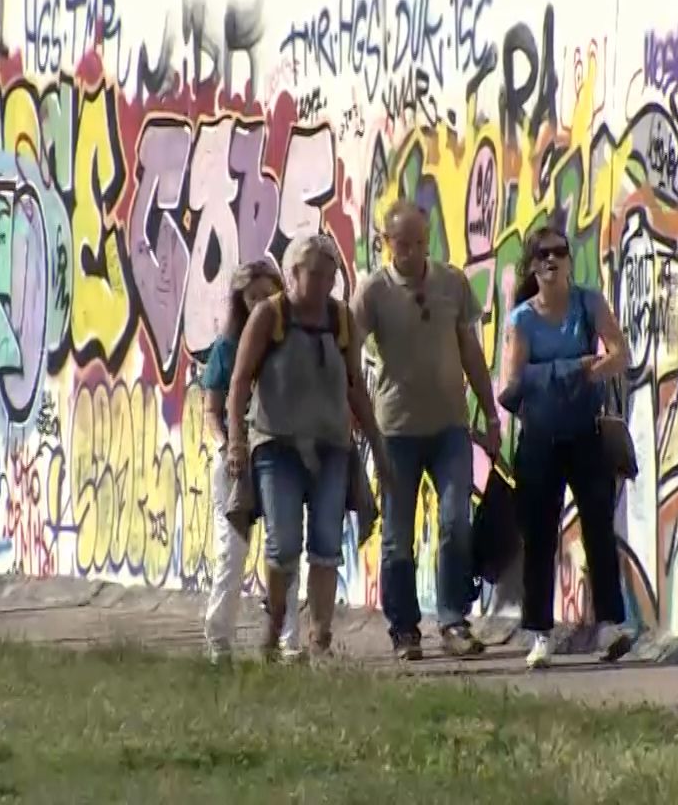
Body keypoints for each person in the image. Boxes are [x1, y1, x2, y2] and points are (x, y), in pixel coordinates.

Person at [353, 199, 501, 661]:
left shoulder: (451, 282)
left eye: (420, 242)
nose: (413, 252)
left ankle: (454, 620)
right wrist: (354, 417)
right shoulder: (373, 292)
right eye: (403, 244)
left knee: (456, 521)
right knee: (397, 533)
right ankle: (404, 629)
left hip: (450, 427)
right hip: (395, 431)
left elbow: (470, 349)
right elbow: (347, 351)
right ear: (386, 243)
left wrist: (490, 413)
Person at [228, 233, 387, 659]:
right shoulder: (270, 315)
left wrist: (376, 444)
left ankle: (320, 638)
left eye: (329, 276)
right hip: (276, 445)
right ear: (293, 273)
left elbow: (355, 386)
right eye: (314, 274)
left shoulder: (340, 320)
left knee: (326, 544)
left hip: (332, 447)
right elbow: (239, 382)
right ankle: (276, 619)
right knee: (282, 543)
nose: (322, 284)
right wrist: (237, 442)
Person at [498, 223, 636, 669]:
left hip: (584, 433)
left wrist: (591, 372)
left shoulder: (588, 303)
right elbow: (511, 385)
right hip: (540, 438)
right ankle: (540, 632)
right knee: (540, 535)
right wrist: (570, 369)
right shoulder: (522, 320)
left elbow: (620, 353)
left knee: (599, 526)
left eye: (559, 252)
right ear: (532, 266)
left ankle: (610, 624)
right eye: (543, 255)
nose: (552, 260)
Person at [200, 259, 300, 664]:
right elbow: (211, 411)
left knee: (285, 548)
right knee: (233, 552)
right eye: (251, 297)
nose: (260, 303)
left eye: (266, 295)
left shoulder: (289, 344)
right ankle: (218, 639)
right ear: (240, 302)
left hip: (279, 454)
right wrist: (228, 444)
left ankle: (289, 641)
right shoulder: (227, 349)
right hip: (236, 461)